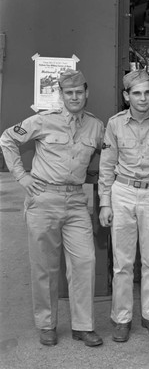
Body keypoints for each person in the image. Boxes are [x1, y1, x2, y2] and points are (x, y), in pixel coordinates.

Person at [0, 69, 104, 347]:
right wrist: (21, 176)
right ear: (61, 95)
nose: (74, 97)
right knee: (44, 266)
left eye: (79, 92)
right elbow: (7, 139)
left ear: (86, 93)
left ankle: (83, 325)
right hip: (43, 199)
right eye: (68, 92)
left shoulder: (95, 126)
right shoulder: (42, 121)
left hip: (77, 202)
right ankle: (47, 324)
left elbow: (108, 156)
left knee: (85, 262)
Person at [98, 70, 149, 343]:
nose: (143, 98)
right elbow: (106, 165)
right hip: (122, 192)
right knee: (122, 262)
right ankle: (121, 318)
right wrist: (104, 203)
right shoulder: (114, 124)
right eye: (136, 93)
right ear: (126, 96)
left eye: (148, 92)